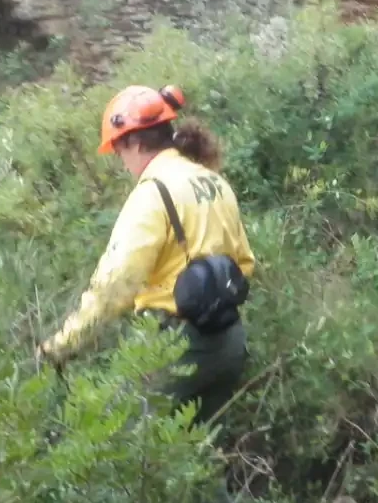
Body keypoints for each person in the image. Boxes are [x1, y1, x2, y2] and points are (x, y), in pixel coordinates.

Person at [39, 85, 257, 422]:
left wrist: (62, 346)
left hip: (176, 348)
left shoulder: (152, 193)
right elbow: (244, 263)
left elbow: (115, 287)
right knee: (201, 450)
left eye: (118, 151)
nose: (121, 161)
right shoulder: (214, 182)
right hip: (229, 341)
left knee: (127, 445)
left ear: (134, 142)